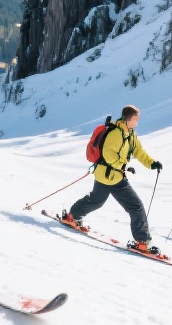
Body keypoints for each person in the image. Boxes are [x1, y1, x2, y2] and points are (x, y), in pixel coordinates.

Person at [62, 105, 163, 253]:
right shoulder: (116, 133)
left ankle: (73, 216)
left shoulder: (130, 134)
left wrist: (151, 163)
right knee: (135, 206)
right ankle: (142, 242)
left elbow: (139, 151)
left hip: (108, 175)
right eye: (136, 118)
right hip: (111, 176)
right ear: (128, 119)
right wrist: (124, 168)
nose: (138, 121)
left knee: (96, 200)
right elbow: (109, 155)